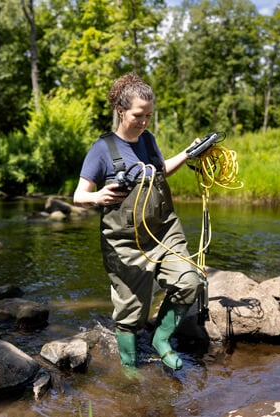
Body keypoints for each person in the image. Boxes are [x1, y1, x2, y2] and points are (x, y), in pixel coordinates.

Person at [73, 72, 204, 371]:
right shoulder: (101, 149)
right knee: (131, 313)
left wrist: (188, 152)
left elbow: (160, 170)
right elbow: (78, 196)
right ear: (121, 110)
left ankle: (161, 338)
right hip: (124, 243)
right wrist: (98, 197)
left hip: (163, 232)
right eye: (138, 115)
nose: (144, 121)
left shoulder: (148, 140)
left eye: (149, 115)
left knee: (190, 282)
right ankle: (130, 371)